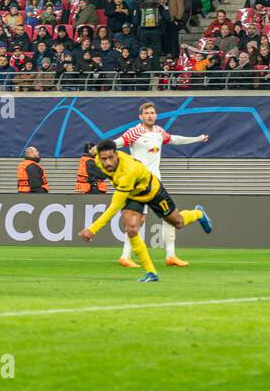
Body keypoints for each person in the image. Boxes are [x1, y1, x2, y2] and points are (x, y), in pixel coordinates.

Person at [80, 140, 213, 283]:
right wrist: (95, 150)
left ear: (117, 154)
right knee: (131, 229)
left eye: (111, 157)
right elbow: (96, 152)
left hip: (153, 192)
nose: (107, 163)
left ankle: (198, 213)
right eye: (104, 158)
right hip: (133, 195)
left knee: (178, 223)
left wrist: (93, 229)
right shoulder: (98, 160)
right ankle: (151, 273)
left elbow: (114, 206)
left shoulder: (128, 171)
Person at [115, 101, 210, 268]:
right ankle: (125, 256)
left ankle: (170, 255)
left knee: (169, 218)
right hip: (138, 184)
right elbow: (119, 142)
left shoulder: (159, 132)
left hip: (156, 183)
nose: (150, 116)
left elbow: (174, 140)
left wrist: (198, 139)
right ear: (140, 116)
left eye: (152, 113)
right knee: (138, 220)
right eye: (146, 113)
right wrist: (101, 148)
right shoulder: (135, 132)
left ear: (156, 115)